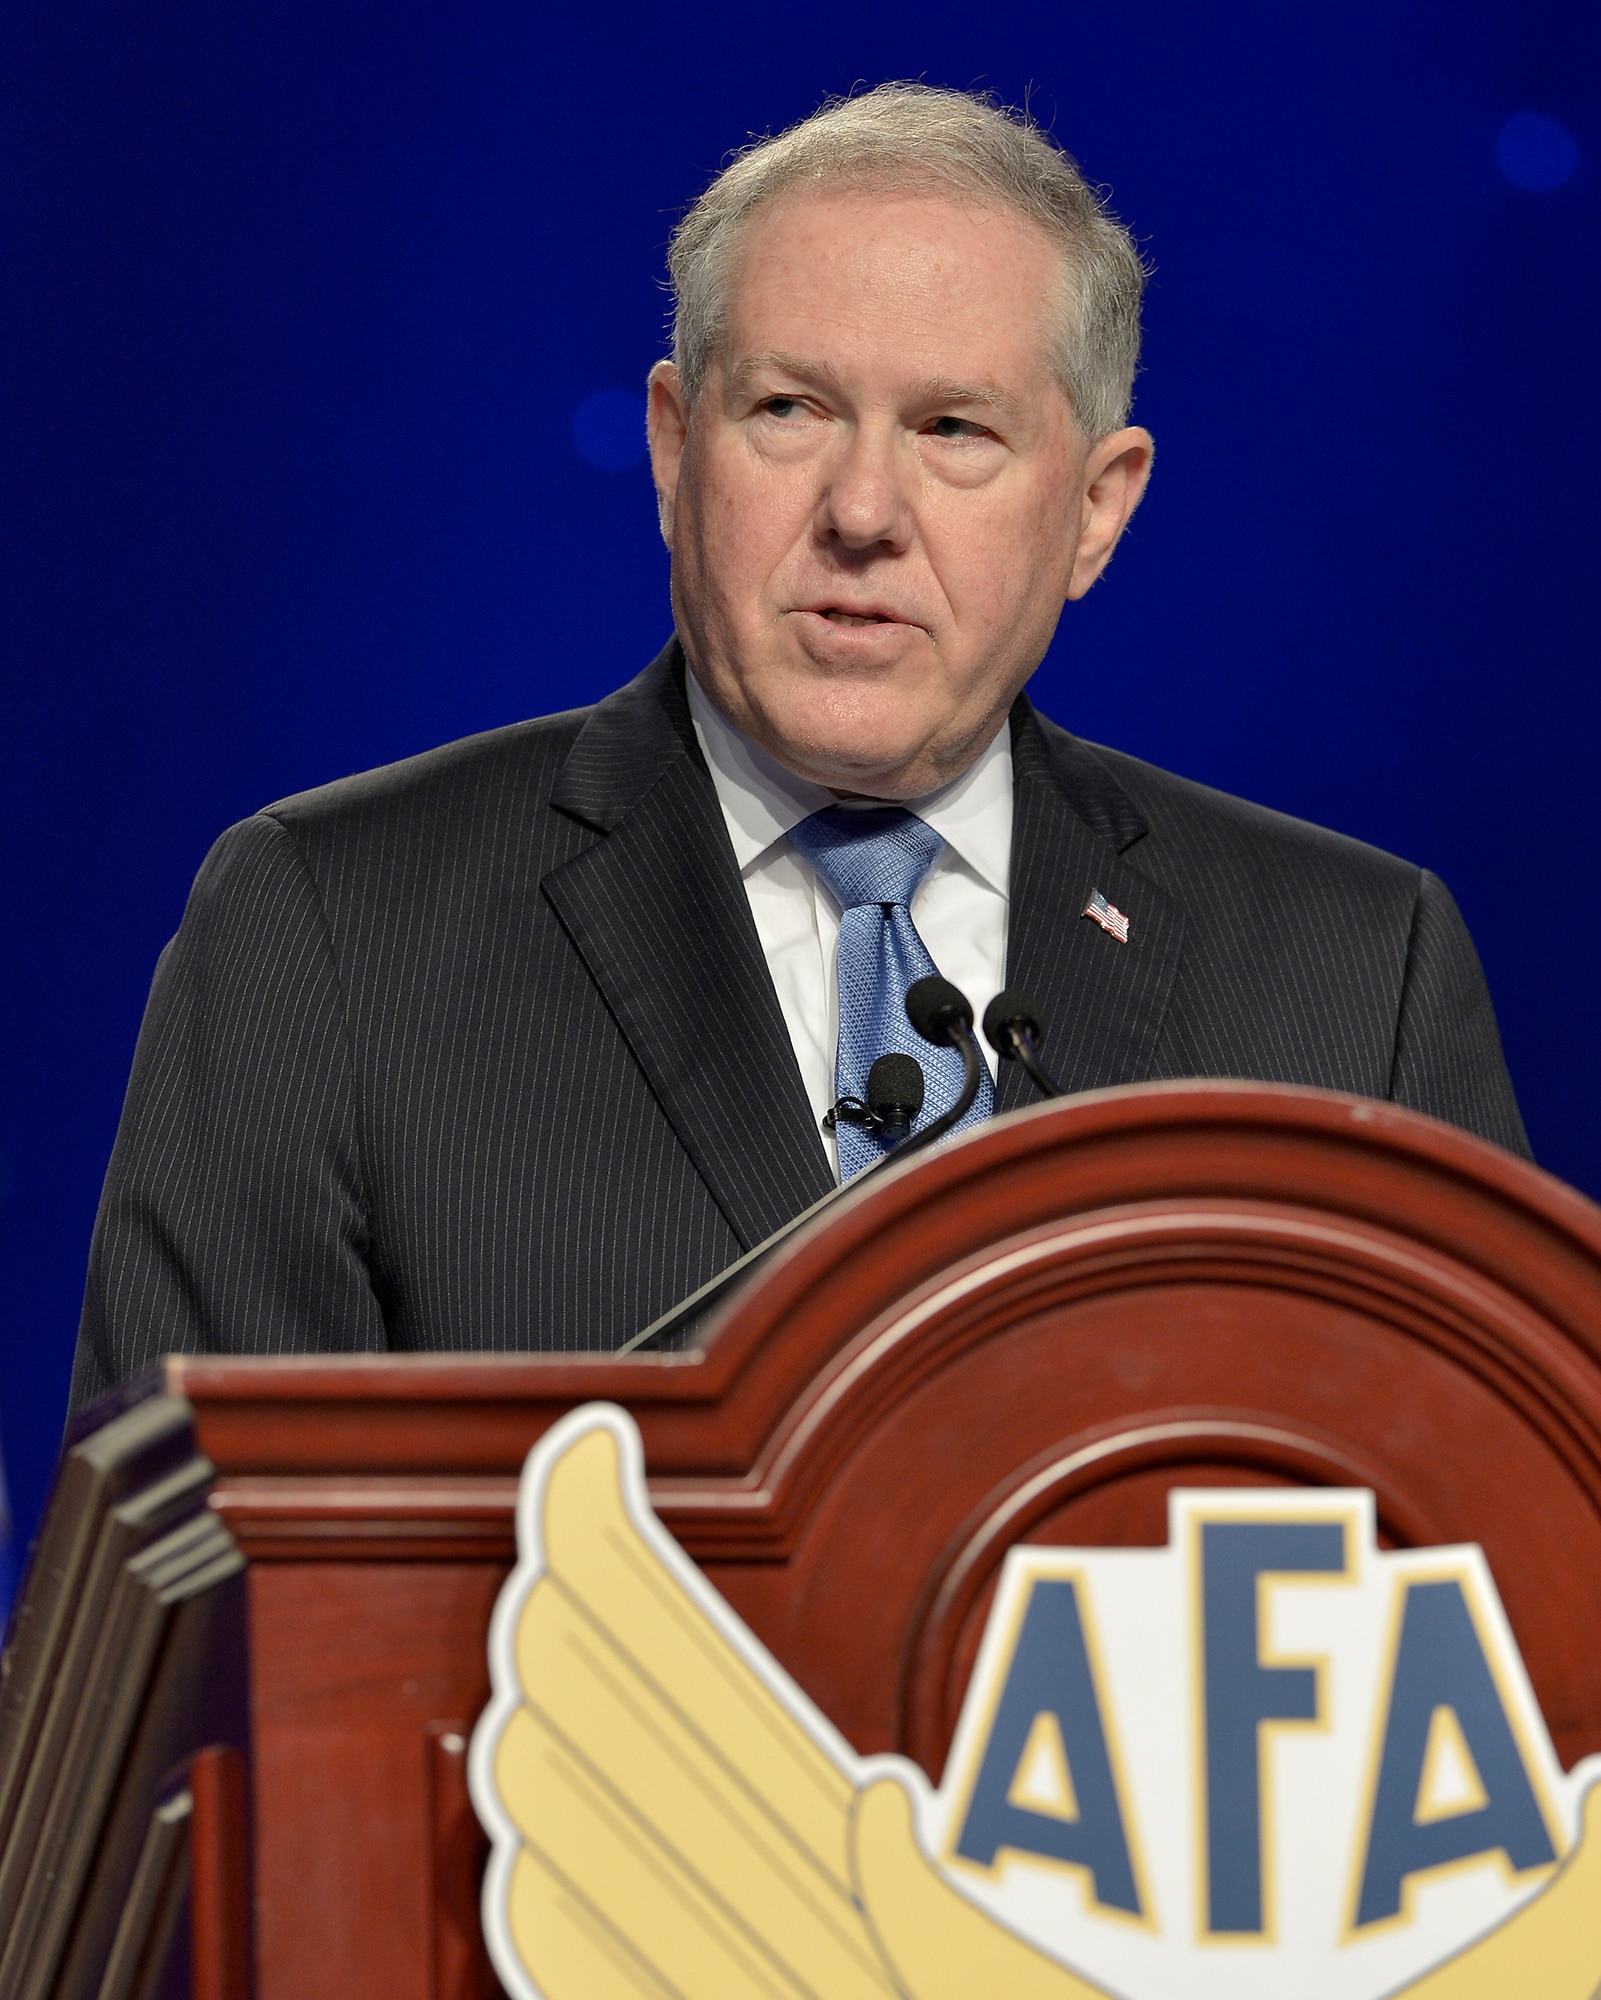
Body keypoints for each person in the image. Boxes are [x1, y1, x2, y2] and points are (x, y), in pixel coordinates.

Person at [70, 84, 1527, 1406]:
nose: (861, 511)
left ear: (1096, 506)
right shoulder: (328, 924)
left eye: (954, 428)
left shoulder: (1354, 973)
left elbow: (1505, 1579)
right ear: (671, 444)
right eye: (789, 409)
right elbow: (189, 1619)